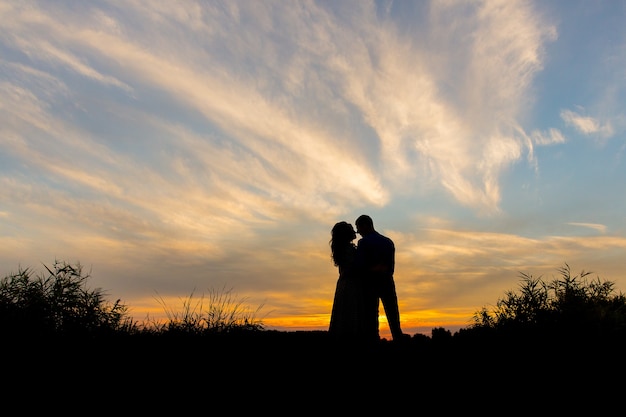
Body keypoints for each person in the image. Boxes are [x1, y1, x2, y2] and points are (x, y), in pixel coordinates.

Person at [354, 214, 406, 342]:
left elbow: (360, 266)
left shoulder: (363, 242)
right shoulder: (388, 242)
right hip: (388, 281)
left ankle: (373, 343)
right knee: (393, 316)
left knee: (371, 318)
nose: (358, 232)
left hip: (369, 284)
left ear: (365, 225)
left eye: (358, 228)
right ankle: (399, 339)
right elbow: (391, 268)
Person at [328, 221, 369, 343]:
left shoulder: (343, 249)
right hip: (351, 286)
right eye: (351, 229)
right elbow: (354, 268)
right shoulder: (349, 250)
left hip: (344, 285)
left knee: (344, 316)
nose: (355, 231)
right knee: (351, 315)